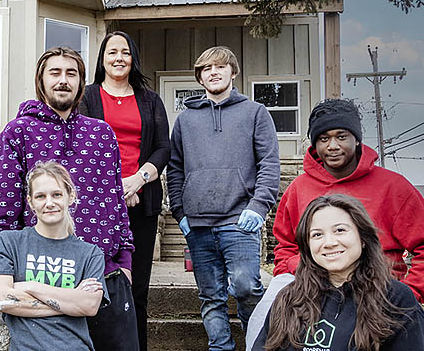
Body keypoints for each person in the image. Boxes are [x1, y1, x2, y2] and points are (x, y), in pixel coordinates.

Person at [0, 46, 138, 351]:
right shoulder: (18, 132)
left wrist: (124, 263)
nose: (63, 80)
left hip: (102, 275)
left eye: (71, 73)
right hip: (42, 271)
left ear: (81, 82)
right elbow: (4, 208)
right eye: (54, 73)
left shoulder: (101, 133)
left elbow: (115, 200)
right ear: (40, 80)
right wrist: (9, 271)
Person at [246, 98, 424, 347]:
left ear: (357, 139)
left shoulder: (394, 187)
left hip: (374, 286)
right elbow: (285, 244)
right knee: (265, 316)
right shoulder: (299, 188)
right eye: (323, 138)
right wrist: (294, 274)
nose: (332, 146)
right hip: (310, 283)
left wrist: (411, 291)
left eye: (341, 136)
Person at [166, 46, 280, 350]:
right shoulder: (185, 121)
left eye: (220, 67)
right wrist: (180, 213)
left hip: (240, 221)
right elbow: (175, 168)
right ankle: (221, 347)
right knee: (210, 296)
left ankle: (255, 342)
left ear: (233, 72)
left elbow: (269, 163)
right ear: (200, 77)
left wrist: (259, 206)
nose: (213, 72)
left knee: (246, 288)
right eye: (206, 69)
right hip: (199, 224)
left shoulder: (255, 113)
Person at [78, 31, 170, 351]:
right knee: (95, 282)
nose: (119, 58)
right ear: (102, 58)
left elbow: (162, 148)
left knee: (136, 288)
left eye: (126, 52)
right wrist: (116, 188)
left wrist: (137, 181)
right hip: (97, 206)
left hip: (141, 201)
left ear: (133, 59)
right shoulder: (87, 97)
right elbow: (83, 148)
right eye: (112, 52)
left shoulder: (150, 99)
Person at [252, 194, 424, 350]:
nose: (329, 242)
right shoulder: (289, 298)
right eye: (317, 235)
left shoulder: (396, 299)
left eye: (340, 230)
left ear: (363, 238)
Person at [0, 161, 107, 350]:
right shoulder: (8, 242)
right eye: (40, 196)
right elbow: (1, 299)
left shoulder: (90, 253)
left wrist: (31, 287)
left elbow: (89, 306)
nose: (49, 203)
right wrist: (71, 302)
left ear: (71, 196)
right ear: (30, 202)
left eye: (57, 194)